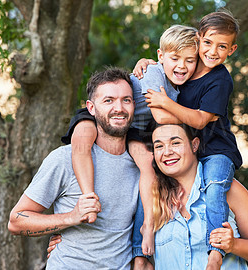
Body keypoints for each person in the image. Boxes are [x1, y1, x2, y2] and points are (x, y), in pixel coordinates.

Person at [48, 123, 248, 269]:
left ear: (194, 145)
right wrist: (65, 240)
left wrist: (233, 245)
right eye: (159, 146)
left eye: (175, 142)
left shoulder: (227, 188)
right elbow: (116, 240)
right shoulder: (150, 200)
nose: (167, 152)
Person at [60, 25, 198, 256]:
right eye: (175, 58)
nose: (182, 65)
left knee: (147, 163)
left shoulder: (181, 89)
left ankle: (148, 225)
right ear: (162, 56)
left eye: (189, 60)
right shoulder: (155, 73)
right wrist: (199, 118)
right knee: (83, 137)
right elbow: (160, 115)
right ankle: (88, 197)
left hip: (132, 128)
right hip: (107, 113)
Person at [8, 67, 151, 269]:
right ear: (91, 108)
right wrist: (70, 218)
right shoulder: (64, 158)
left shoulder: (141, 163)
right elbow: (16, 221)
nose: (119, 108)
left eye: (126, 100)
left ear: (134, 105)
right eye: (108, 100)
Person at [134, 10, 242, 269]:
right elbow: (169, 66)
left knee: (215, 188)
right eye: (207, 43)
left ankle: (215, 250)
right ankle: (141, 254)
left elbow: (200, 121)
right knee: (150, 186)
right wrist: (146, 62)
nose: (213, 51)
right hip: (191, 151)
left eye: (222, 46)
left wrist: (165, 102)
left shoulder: (219, 79)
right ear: (198, 39)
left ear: (232, 49)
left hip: (216, 149)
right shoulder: (188, 70)